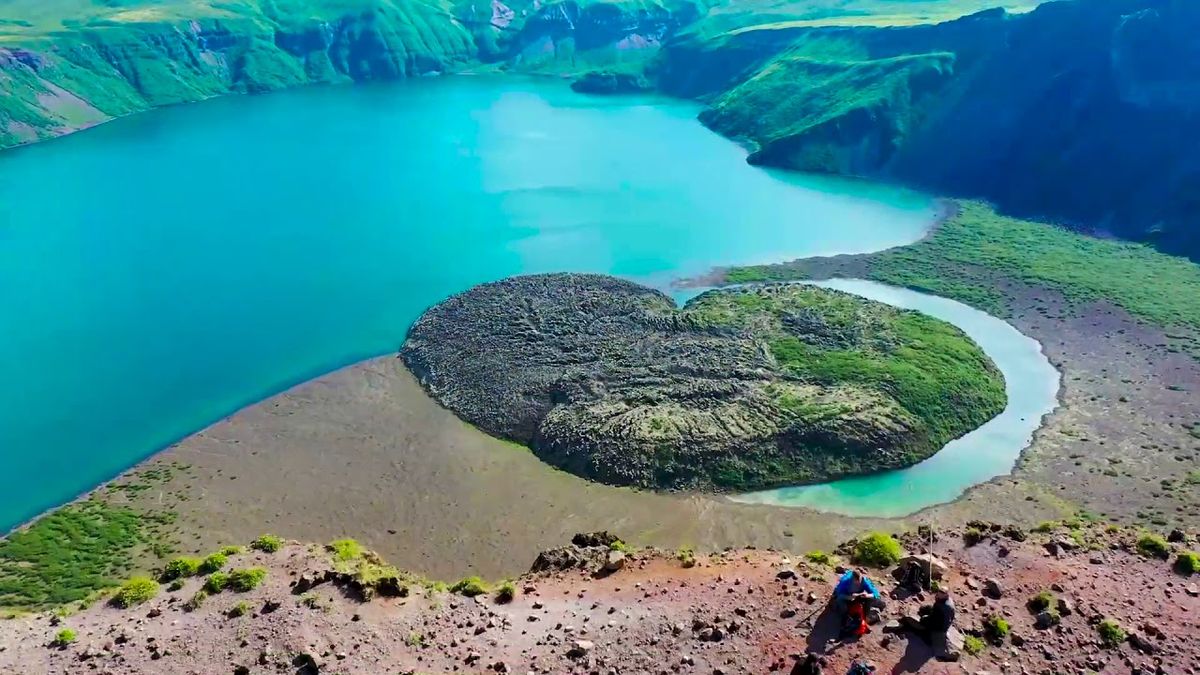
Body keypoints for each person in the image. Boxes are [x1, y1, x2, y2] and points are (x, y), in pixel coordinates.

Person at [832, 570, 887, 636]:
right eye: (856, 582)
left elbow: (875, 593)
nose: (858, 583)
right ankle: (845, 617)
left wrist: (867, 595)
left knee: (870, 599)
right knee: (841, 602)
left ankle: (865, 617)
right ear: (852, 579)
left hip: (858, 596)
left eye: (859, 582)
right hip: (847, 596)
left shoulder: (864, 581)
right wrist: (849, 597)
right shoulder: (845, 582)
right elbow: (839, 594)